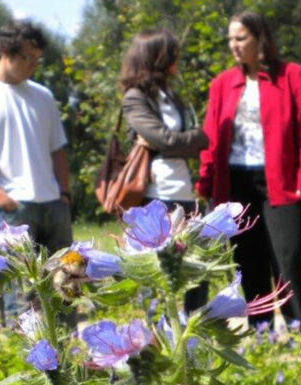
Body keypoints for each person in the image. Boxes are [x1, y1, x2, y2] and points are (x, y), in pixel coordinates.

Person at [196, 12, 301, 332]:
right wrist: (205, 182)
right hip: (236, 180)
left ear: (259, 39)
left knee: (288, 255)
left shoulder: (293, 75)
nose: (234, 46)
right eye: (230, 40)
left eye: (241, 39)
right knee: (248, 259)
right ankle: (260, 328)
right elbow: (211, 136)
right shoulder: (222, 84)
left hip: (283, 180)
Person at [0, 21, 72, 317]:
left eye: (37, 59)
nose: (34, 65)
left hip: (53, 205)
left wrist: (65, 194)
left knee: (66, 285)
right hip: (14, 211)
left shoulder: (43, 96)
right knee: (20, 292)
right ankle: (26, 353)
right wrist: (1, 198)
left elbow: (57, 149)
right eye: (28, 58)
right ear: (6, 53)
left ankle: (68, 350)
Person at [120, 29, 209, 313]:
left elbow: (167, 140)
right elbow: (164, 140)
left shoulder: (172, 96)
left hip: (184, 189)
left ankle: (192, 333)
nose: (177, 59)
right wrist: (199, 138)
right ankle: (159, 332)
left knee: (195, 267)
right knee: (160, 273)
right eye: (172, 53)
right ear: (157, 56)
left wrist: (179, 142)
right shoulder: (135, 98)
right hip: (154, 193)